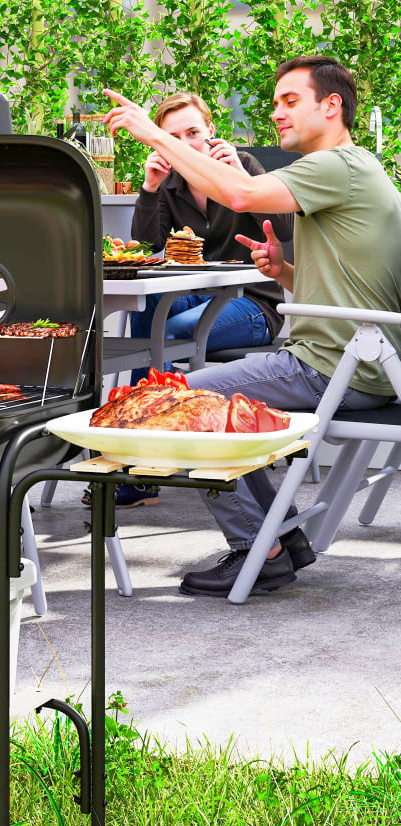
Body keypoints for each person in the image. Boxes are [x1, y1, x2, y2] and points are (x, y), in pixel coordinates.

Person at [104, 56, 401, 597]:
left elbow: (238, 195)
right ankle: (278, 541)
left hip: (333, 366)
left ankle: (257, 552)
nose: (277, 115)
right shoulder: (352, 170)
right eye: (275, 105)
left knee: (171, 403)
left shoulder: (337, 165)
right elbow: (354, 287)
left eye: (291, 101)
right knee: (203, 401)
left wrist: (152, 133)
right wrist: (284, 270)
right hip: (352, 361)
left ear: (331, 106)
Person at [105, 92, 295, 511]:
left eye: (193, 132)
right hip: (196, 294)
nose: (187, 143)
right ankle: (149, 444)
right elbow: (145, 247)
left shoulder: (242, 168)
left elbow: (286, 229)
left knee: (164, 331)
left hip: (253, 304)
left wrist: (241, 182)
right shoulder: (170, 186)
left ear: (211, 130)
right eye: (173, 136)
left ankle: (146, 447)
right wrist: (150, 189)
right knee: (147, 312)